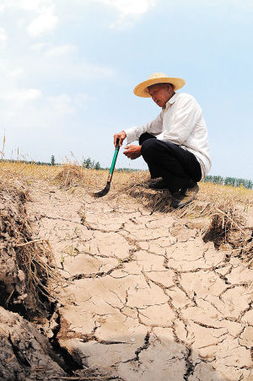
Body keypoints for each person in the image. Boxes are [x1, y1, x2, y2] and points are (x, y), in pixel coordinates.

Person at [113, 73, 211, 208]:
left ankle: (187, 186)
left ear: (169, 88)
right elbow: (148, 128)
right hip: (179, 156)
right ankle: (167, 179)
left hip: (195, 162)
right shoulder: (166, 111)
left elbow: (176, 136)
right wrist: (125, 133)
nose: (153, 98)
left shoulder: (186, 101)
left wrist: (142, 149)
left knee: (149, 145)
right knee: (145, 137)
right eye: (151, 95)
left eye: (155, 92)